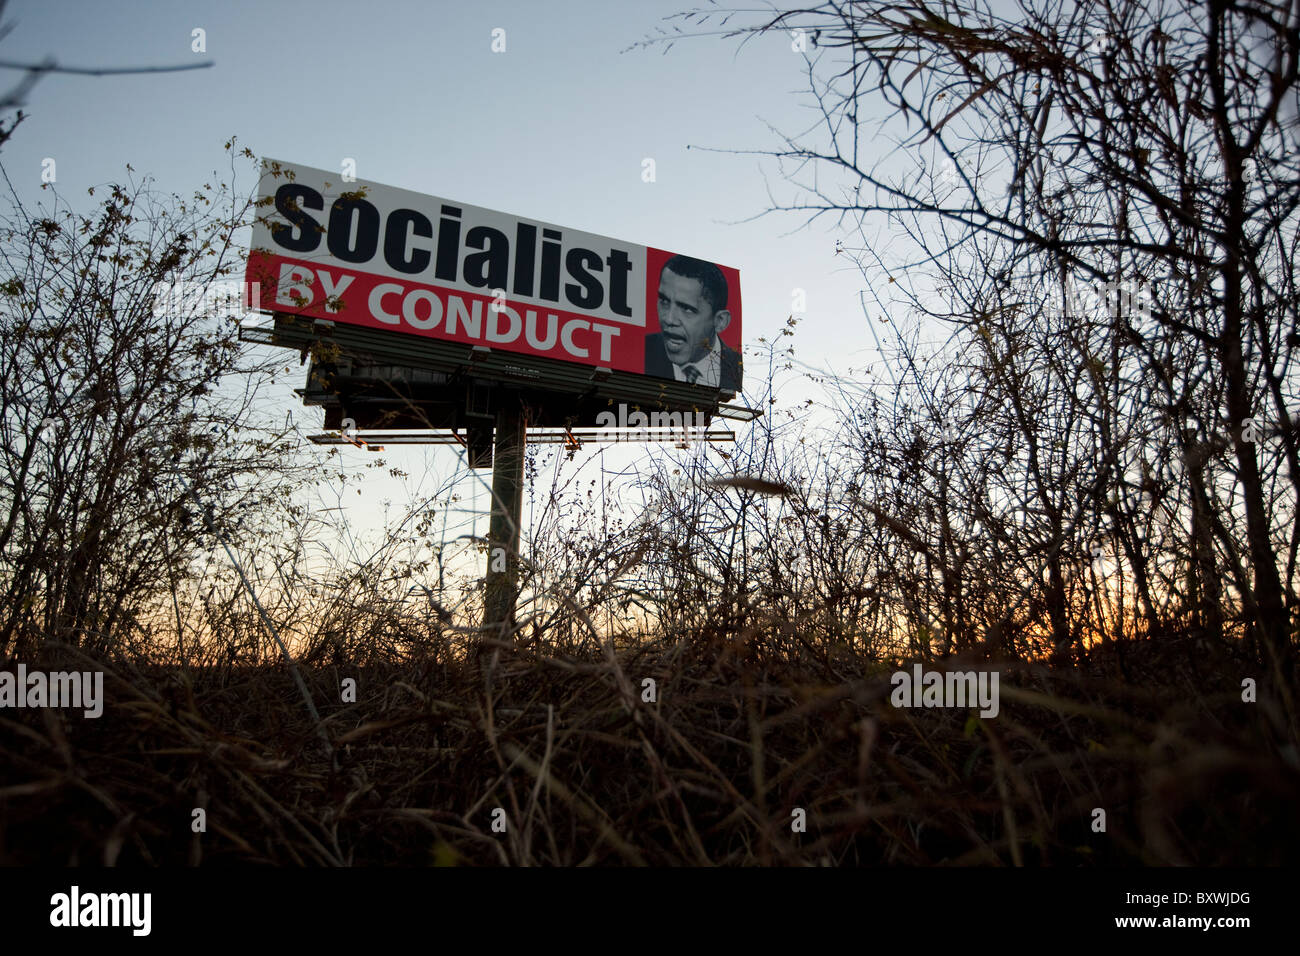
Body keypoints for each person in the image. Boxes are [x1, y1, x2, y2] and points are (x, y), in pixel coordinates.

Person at [644, 255, 741, 392]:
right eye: (664, 301)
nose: (669, 319)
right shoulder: (641, 351)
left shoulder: (734, 366)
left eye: (687, 309)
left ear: (720, 321)